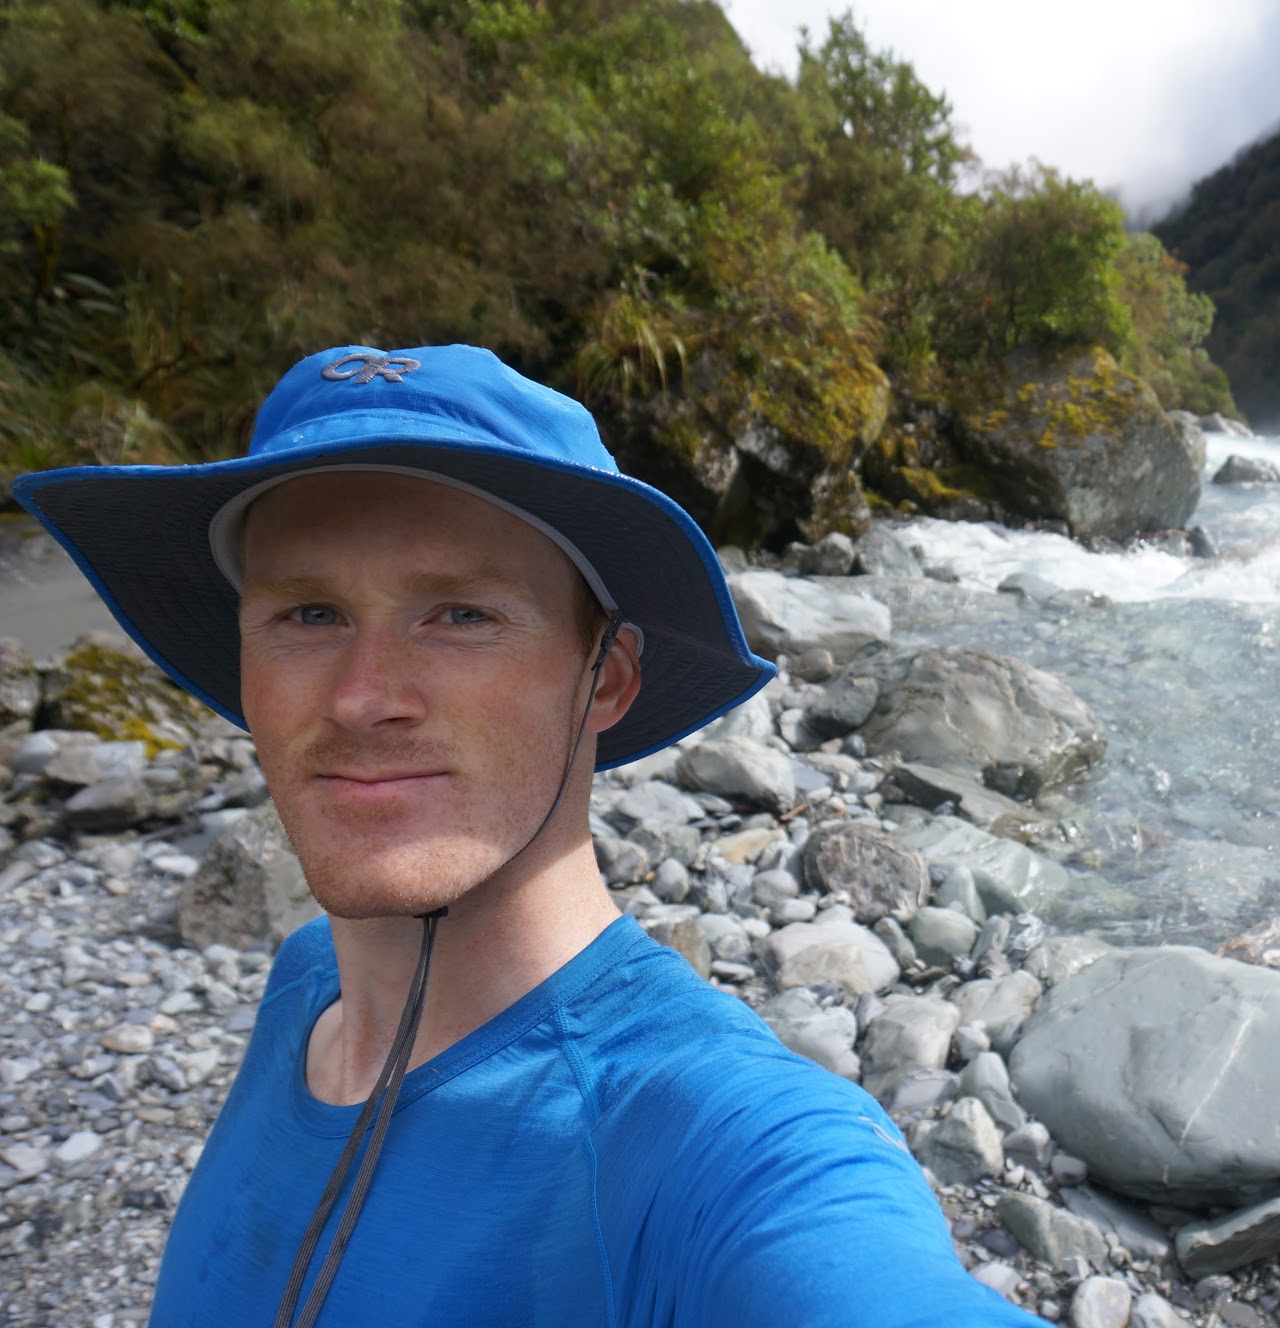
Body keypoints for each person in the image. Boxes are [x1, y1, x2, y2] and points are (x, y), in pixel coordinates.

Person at [15, 345, 1042, 1327]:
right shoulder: (307, 981)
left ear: (607, 676)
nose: (363, 696)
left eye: (460, 614)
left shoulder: (711, 1138)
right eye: (310, 612)